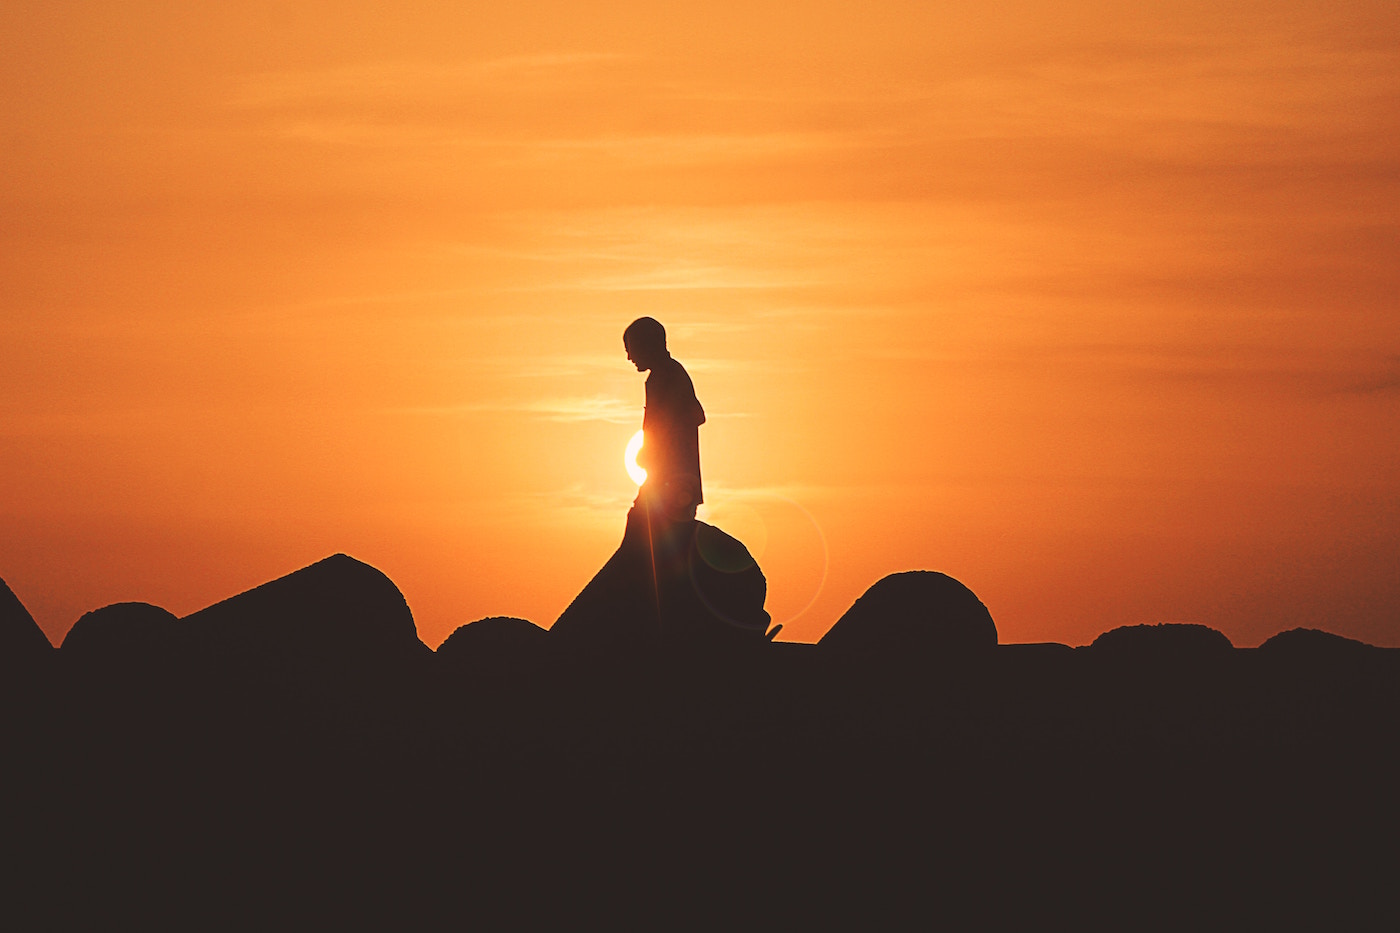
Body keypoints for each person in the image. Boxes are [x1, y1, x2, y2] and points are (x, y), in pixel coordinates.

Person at [623, 316, 706, 524]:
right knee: (639, 521)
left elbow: (696, 415)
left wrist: (657, 446)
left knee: (642, 523)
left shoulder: (670, 375)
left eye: (631, 349)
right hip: (665, 479)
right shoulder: (660, 377)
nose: (629, 357)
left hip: (674, 483)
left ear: (646, 345)